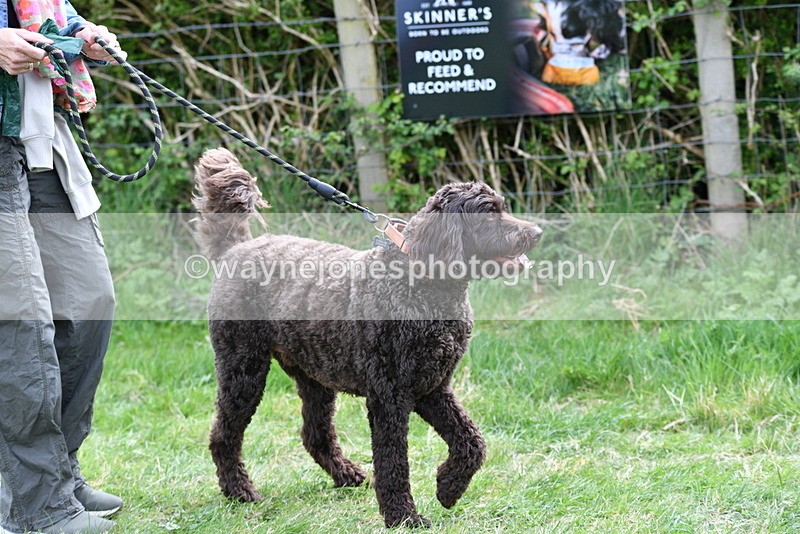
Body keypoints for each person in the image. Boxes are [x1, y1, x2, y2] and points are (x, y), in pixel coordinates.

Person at [0, 1, 127, 532]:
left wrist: (85, 39)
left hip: (40, 140)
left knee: (88, 303)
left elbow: (58, 18)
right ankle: (33, 506)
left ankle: (58, 471)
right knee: (21, 326)